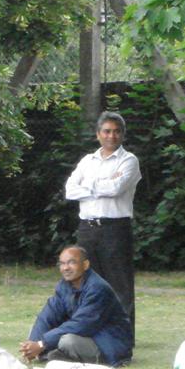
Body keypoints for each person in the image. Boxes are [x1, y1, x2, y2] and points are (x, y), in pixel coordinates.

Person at [64, 112, 140, 336]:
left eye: (116, 131)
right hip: (87, 229)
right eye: (107, 131)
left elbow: (116, 189)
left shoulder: (129, 160)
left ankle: (122, 336)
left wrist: (87, 185)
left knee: (119, 285)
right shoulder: (87, 161)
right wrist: (102, 183)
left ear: (122, 134)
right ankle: (89, 331)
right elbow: (70, 190)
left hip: (115, 229)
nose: (112, 136)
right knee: (86, 282)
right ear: (98, 134)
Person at [19, 246, 133, 367]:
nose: (65, 268)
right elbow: (47, 316)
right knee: (37, 329)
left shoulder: (97, 288)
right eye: (62, 264)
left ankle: (54, 354)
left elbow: (80, 325)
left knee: (68, 341)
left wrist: (42, 344)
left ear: (85, 265)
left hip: (108, 344)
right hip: (84, 336)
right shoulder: (64, 285)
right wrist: (33, 344)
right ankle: (51, 354)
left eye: (71, 262)